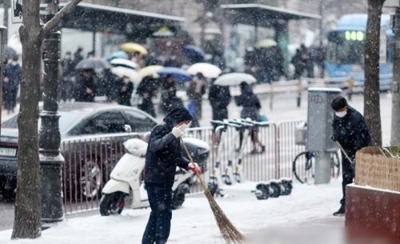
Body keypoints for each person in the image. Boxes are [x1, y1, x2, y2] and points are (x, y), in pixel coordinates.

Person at [141, 107, 201, 244]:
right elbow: (155, 146)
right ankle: (157, 241)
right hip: (155, 181)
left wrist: (189, 165)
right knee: (160, 214)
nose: (186, 126)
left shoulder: (175, 135)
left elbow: (176, 157)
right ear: (178, 121)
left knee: (162, 214)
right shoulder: (160, 129)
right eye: (185, 123)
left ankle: (155, 241)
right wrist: (172, 135)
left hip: (165, 181)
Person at [331, 96, 371, 216]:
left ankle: (362, 205)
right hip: (346, 151)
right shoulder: (337, 116)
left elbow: (362, 136)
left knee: (360, 179)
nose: (339, 113)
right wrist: (335, 136)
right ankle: (346, 204)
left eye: (340, 110)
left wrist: (356, 153)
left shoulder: (355, 117)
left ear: (345, 107)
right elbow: (336, 128)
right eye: (336, 111)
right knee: (346, 178)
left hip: (358, 152)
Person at [234, 82, 265, 154]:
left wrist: (236, 98)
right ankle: (256, 147)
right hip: (254, 115)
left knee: (242, 131)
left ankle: (241, 147)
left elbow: (238, 104)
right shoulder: (253, 94)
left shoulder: (242, 95)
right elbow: (259, 105)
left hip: (245, 115)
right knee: (253, 132)